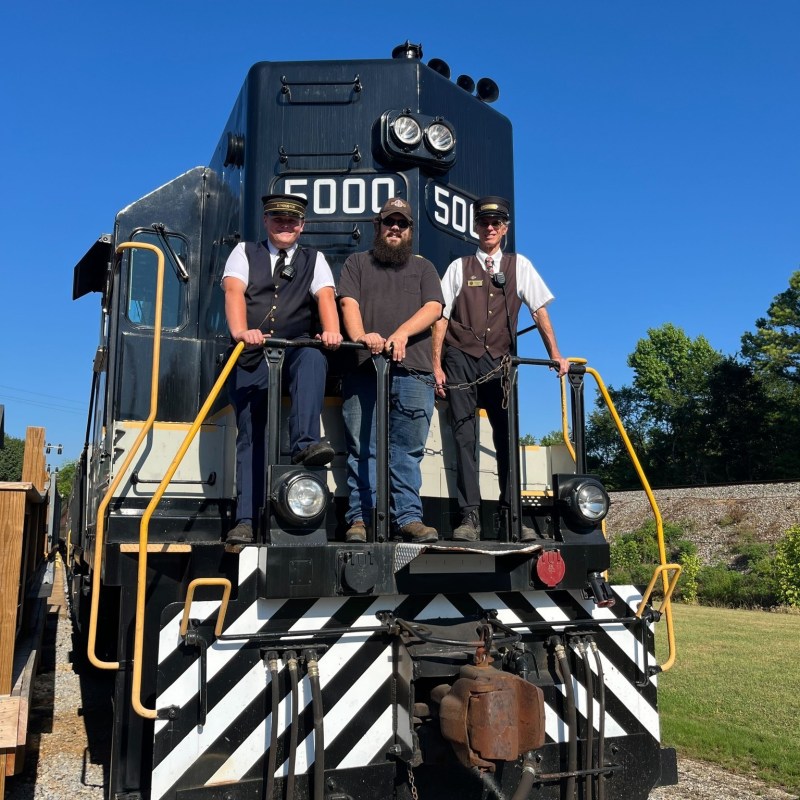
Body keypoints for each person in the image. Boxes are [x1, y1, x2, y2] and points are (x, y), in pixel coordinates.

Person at [432, 196, 569, 542]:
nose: (489, 228)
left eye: (496, 223)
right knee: (465, 436)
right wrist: (436, 364)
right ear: (475, 228)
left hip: (501, 363)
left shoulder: (518, 265)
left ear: (505, 229)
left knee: (507, 435)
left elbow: (538, 310)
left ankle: (513, 516)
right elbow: (441, 318)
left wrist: (555, 353)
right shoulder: (458, 268)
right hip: (460, 359)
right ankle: (470, 517)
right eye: (483, 222)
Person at [222, 193, 342, 544]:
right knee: (251, 434)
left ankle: (305, 442)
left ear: (302, 225)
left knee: (313, 355)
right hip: (252, 352)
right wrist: (242, 332)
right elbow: (233, 291)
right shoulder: (244, 252)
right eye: (278, 218)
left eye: (292, 220)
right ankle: (245, 519)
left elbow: (325, 297)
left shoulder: (315, 259)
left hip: (294, 347)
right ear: (266, 221)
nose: (285, 225)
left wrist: (331, 330)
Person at [338, 198, 444, 544]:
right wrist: (360, 336)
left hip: (413, 372)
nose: (395, 228)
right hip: (363, 370)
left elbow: (434, 307)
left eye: (402, 223)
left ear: (411, 230)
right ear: (378, 227)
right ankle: (359, 518)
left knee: (407, 451)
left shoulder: (424, 268)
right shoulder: (356, 263)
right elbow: (347, 303)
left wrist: (401, 332)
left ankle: (409, 519)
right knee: (361, 448)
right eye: (389, 222)